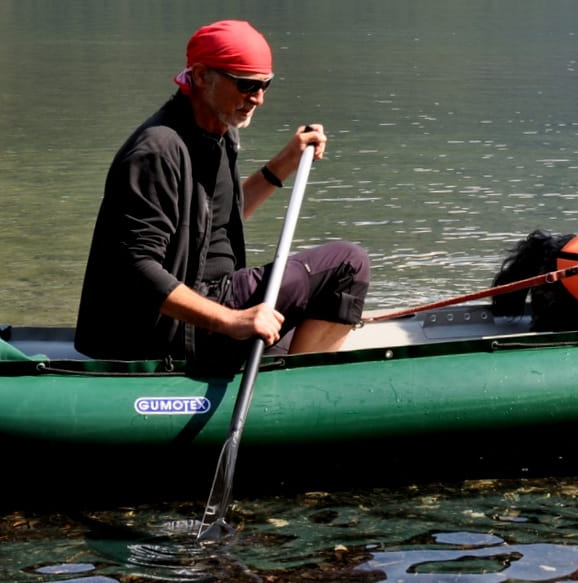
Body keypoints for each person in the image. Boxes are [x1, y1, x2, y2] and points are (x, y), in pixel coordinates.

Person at [75, 19, 369, 368]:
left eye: (265, 84)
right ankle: (300, 384)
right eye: (247, 85)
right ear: (201, 76)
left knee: (295, 328)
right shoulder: (156, 152)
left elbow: (219, 221)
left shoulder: (219, 130)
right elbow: (136, 269)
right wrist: (231, 321)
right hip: (168, 330)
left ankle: (285, 373)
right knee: (348, 264)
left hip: (210, 304)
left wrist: (285, 163)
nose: (258, 98)